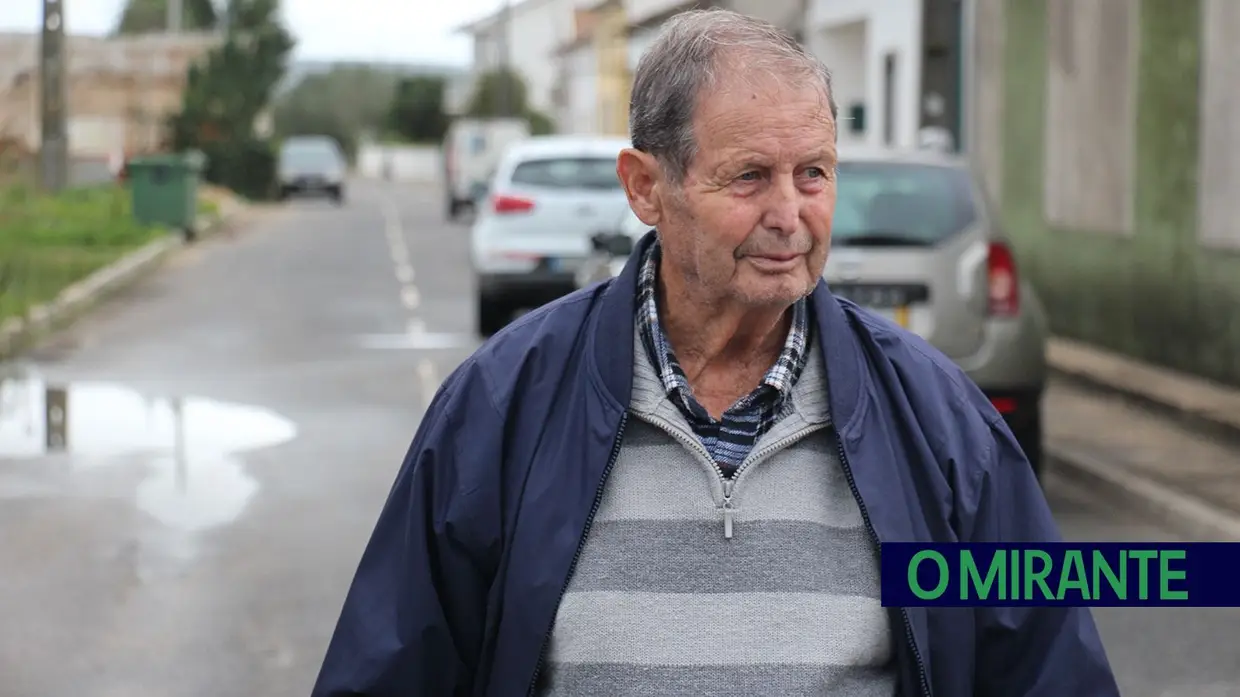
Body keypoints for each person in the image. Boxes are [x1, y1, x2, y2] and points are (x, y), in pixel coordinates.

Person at [311, 9, 1120, 697]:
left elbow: (1047, 669)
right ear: (644, 188)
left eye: (813, 173)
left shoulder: (939, 424)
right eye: (748, 177)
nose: (790, 214)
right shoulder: (501, 407)